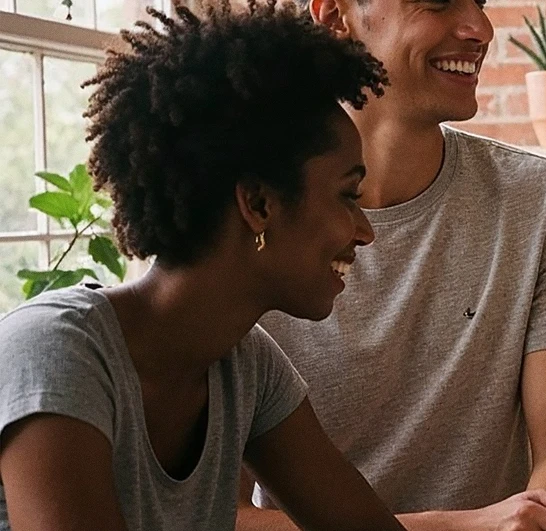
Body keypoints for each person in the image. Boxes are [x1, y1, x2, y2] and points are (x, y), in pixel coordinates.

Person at [0, 1, 401, 529]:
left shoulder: (246, 369)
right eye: (347, 196)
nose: (365, 231)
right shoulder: (55, 353)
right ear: (258, 204)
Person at [231, 0, 546, 527]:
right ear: (336, 14)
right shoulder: (249, 212)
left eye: (480, 3)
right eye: (436, 1)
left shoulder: (535, 198)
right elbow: (214, 514)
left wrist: (524, 523)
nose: (480, 29)